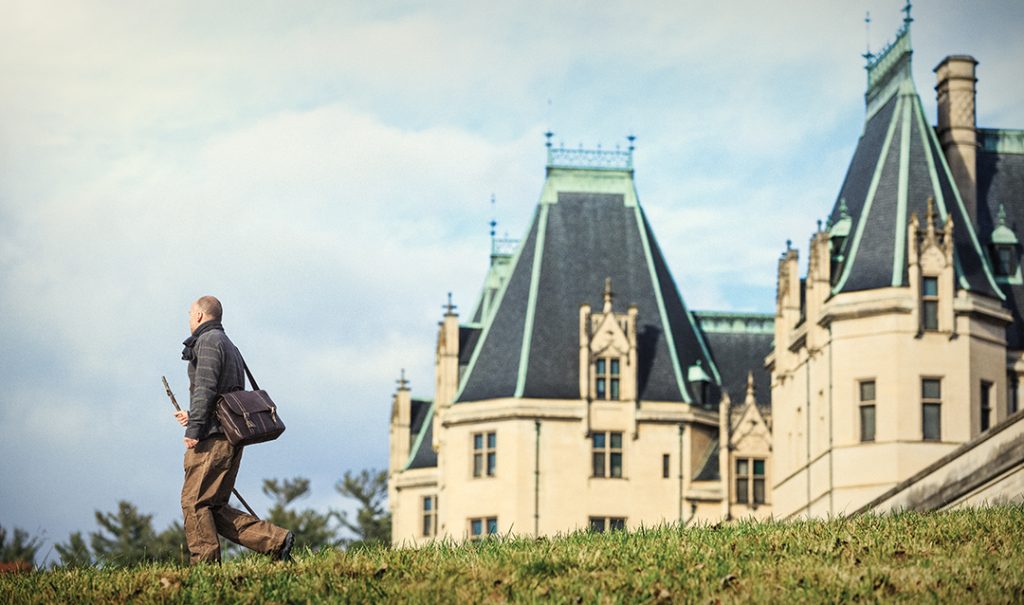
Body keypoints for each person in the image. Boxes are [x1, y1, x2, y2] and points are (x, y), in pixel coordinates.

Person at [174, 295, 294, 564]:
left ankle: (205, 569)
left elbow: (205, 389)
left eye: (189, 314)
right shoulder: (228, 344)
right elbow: (224, 395)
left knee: (195, 502)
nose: (188, 320)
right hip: (229, 437)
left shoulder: (206, 342)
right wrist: (194, 416)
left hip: (212, 439)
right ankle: (275, 541)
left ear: (200, 316)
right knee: (213, 507)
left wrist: (194, 429)